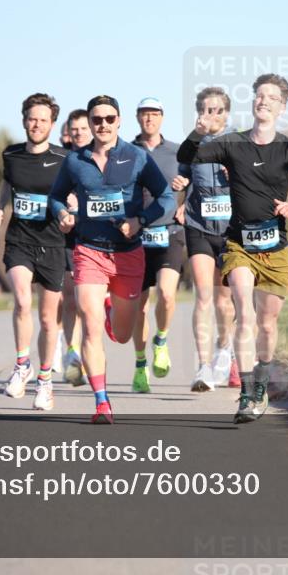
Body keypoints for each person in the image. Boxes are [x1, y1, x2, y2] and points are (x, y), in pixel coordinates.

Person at [177, 74, 288, 423]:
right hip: (239, 244)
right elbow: (189, 157)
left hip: (275, 247)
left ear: (282, 107)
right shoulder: (232, 144)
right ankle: (246, 393)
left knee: (267, 323)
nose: (263, 101)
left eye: (271, 97)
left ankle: (261, 384)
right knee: (244, 312)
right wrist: (199, 132)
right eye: (259, 95)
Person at [49, 95, 175, 424]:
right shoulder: (76, 161)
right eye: (97, 119)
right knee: (89, 327)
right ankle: (102, 402)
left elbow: (166, 197)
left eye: (109, 118)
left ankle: (111, 313)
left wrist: (141, 221)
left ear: (119, 121)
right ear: (90, 123)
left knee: (120, 334)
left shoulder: (137, 157)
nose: (102, 124)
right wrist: (62, 212)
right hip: (89, 250)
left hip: (128, 255)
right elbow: (55, 196)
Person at [0, 93, 68, 412]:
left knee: (49, 320)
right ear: (24, 119)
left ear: (52, 124)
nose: (36, 124)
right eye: (31, 118)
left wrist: (69, 209)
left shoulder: (65, 159)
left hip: (52, 243)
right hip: (19, 239)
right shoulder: (11, 154)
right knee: (22, 300)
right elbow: (8, 183)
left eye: (43, 120)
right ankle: (22, 365)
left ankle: (45, 381)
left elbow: (73, 191)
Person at [172, 86, 238, 392]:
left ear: (226, 113)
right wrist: (181, 186)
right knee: (203, 294)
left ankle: (224, 347)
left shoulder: (240, 143)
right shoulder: (192, 144)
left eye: (217, 110)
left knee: (225, 299)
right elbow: (181, 173)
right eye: (206, 110)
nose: (211, 115)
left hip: (229, 230)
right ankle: (203, 367)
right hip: (198, 225)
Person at [129, 97, 186, 393]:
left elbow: (197, 182)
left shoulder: (178, 152)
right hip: (136, 236)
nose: (149, 119)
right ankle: (140, 365)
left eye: (154, 114)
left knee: (166, 294)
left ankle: (160, 341)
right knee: (138, 307)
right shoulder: (126, 151)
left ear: (162, 117)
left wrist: (186, 203)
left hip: (170, 232)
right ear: (137, 118)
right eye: (144, 114)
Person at [60, 109, 92, 386]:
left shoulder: (102, 159)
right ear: (68, 133)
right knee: (71, 300)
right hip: (68, 238)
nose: (79, 133)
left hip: (97, 239)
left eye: (84, 128)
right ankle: (71, 356)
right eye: (75, 129)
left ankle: (87, 354)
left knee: (86, 305)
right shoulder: (63, 161)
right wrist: (62, 209)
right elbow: (52, 197)